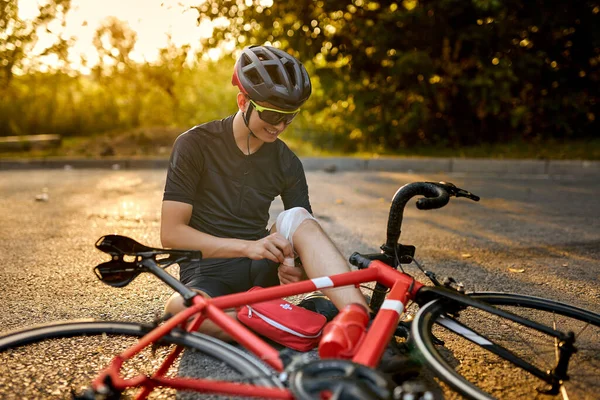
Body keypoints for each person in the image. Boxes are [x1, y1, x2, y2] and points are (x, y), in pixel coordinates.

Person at [161, 45, 368, 341]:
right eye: (271, 115)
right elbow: (171, 234)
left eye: (290, 117)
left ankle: (359, 320)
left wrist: (296, 269)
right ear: (243, 101)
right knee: (180, 313)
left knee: (297, 216)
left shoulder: (287, 162)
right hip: (208, 274)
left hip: (261, 270)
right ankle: (302, 320)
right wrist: (247, 247)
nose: (280, 126)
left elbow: (306, 239)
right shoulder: (194, 144)